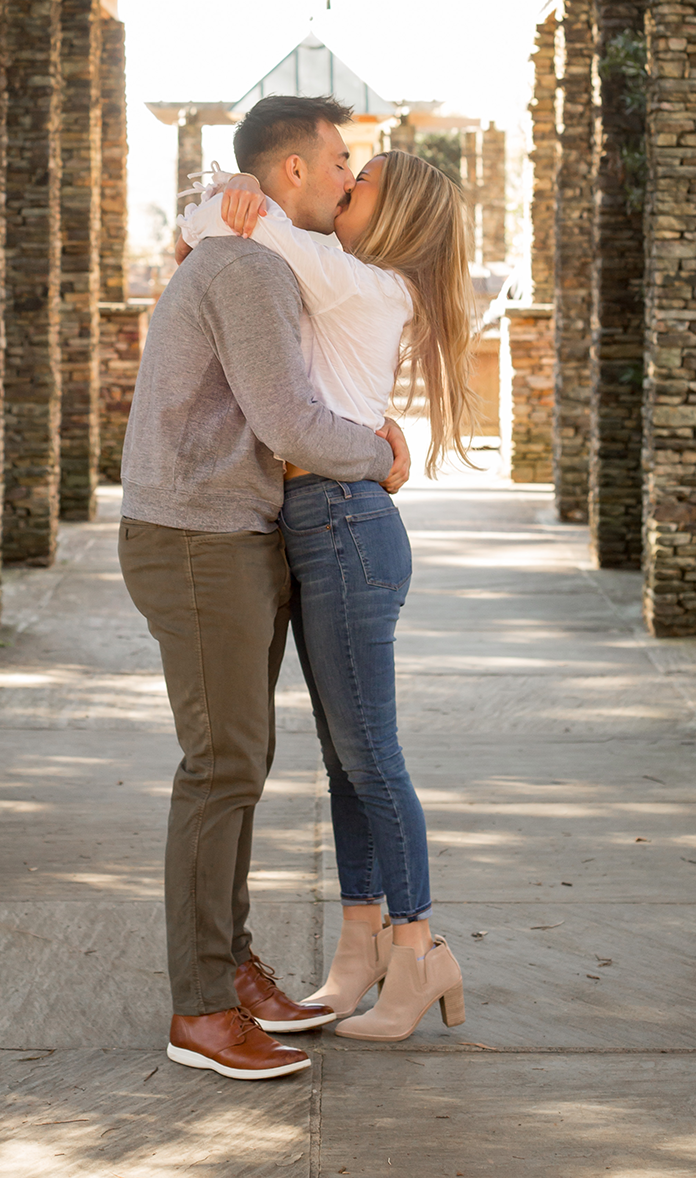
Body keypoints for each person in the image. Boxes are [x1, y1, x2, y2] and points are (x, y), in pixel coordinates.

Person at [118, 95, 412, 1083]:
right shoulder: (247, 266)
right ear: (289, 173)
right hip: (199, 537)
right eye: (338, 161)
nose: (346, 176)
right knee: (222, 766)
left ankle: (231, 972)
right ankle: (200, 1007)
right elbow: (288, 419)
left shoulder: (256, 254)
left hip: (230, 534)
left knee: (241, 760)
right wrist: (379, 455)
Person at [178, 132, 477, 1043]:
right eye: (346, 168)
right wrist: (232, 195)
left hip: (345, 523)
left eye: (363, 178)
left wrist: (236, 194)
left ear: (394, 214)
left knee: (372, 756)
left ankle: (419, 953)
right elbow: (208, 228)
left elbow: (210, 226)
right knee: (346, 758)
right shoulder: (337, 273)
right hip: (321, 524)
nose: (346, 180)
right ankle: (358, 951)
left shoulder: (357, 279)